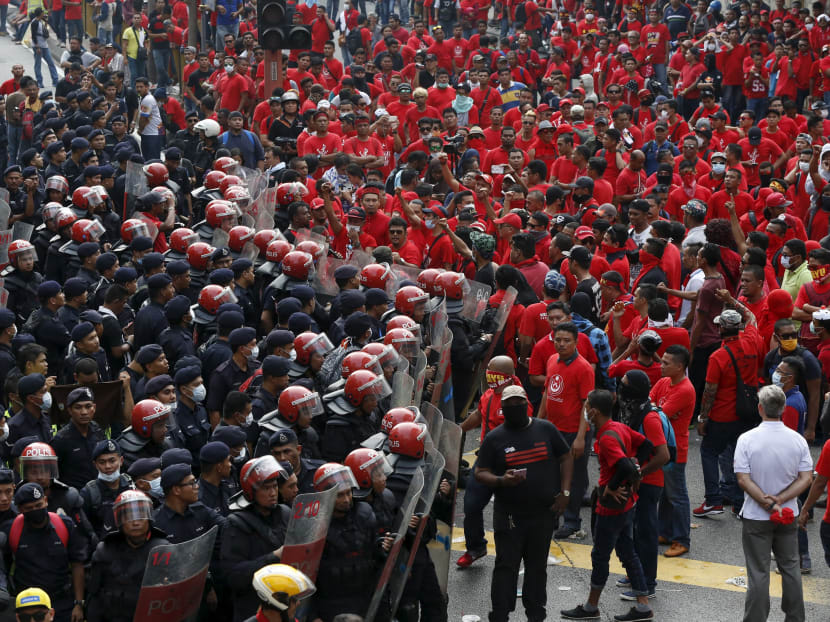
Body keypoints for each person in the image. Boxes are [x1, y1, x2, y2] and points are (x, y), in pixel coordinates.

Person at [475, 385, 573, 622]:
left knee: (537, 568)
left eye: (518, 403)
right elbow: (480, 471)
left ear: (526, 404)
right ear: (503, 409)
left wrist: (566, 492)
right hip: (509, 515)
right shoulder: (495, 438)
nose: (514, 408)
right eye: (508, 405)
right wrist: (501, 480)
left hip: (543, 514)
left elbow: (566, 456)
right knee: (505, 567)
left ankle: (536, 614)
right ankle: (499, 614)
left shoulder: (546, 429)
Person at [561, 389, 655, 622]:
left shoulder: (606, 437)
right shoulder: (619, 428)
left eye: (586, 407)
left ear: (594, 411)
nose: (585, 411)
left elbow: (622, 465)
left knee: (600, 556)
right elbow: (646, 446)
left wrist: (612, 485)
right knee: (627, 552)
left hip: (611, 507)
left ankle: (591, 607)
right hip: (627, 505)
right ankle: (643, 606)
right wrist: (636, 472)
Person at [733, 385, 812, 622]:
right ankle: (795, 617)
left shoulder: (747, 439)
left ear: (760, 408)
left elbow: (743, 479)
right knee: (790, 568)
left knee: (758, 573)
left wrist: (768, 504)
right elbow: (806, 478)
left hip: (757, 516)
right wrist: (782, 500)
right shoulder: (797, 440)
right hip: (788, 515)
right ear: (784, 409)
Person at [86, 490, 170, 622]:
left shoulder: (164, 550)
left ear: (149, 518)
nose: (135, 522)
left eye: (140, 515)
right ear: (119, 520)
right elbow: (94, 594)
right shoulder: (104, 550)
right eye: (129, 516)